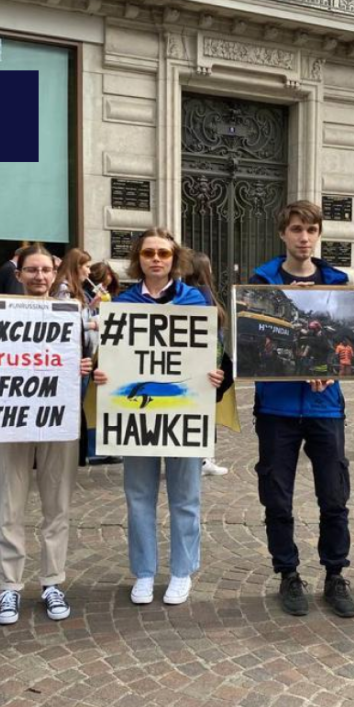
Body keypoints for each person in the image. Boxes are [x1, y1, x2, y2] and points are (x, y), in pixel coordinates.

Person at [93, 228, 225, 607]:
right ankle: (144, 572)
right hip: (135, 418)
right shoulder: (123, 304)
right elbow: (110, 358)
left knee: (186, 497)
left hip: (183, 414)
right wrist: (101, 374)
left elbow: (213, 352)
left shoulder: (195, 301)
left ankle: (182, 571)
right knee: (138, 497)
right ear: (138, 258)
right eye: (148, 252)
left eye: (163, 253)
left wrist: (218, 374)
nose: (156, 259)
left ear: (174, 259)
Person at [0, 245, 93, 625]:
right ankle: (10, 585)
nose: (39, 276)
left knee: (58, 506)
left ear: (55, 274)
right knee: (9, 507)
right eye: (31, 270)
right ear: (18, 275)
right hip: (10, 420)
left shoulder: (73, 315)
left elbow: (88, 361)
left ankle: (52, 581)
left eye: (45, 270)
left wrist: (85, 365)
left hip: (58, 419)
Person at [250, 200, 354, 619]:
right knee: (277, 498)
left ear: (318, 234)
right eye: (296, 229)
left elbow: (342, 349)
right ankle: (288, 573)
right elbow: (253, 343)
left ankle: (335, 573)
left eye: (311, 230)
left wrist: (330, 373)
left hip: (324, 407)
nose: (304, 237)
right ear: (283, 233)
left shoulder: (337, 283)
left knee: (334, 495)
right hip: (276, 409)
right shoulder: (262, 282)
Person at [183, 251, 236, 478]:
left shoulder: (191, 293)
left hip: (202, 360)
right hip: (205, 361)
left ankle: (202, 458)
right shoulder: (201, 294)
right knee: (202, 410)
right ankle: (203, 459)